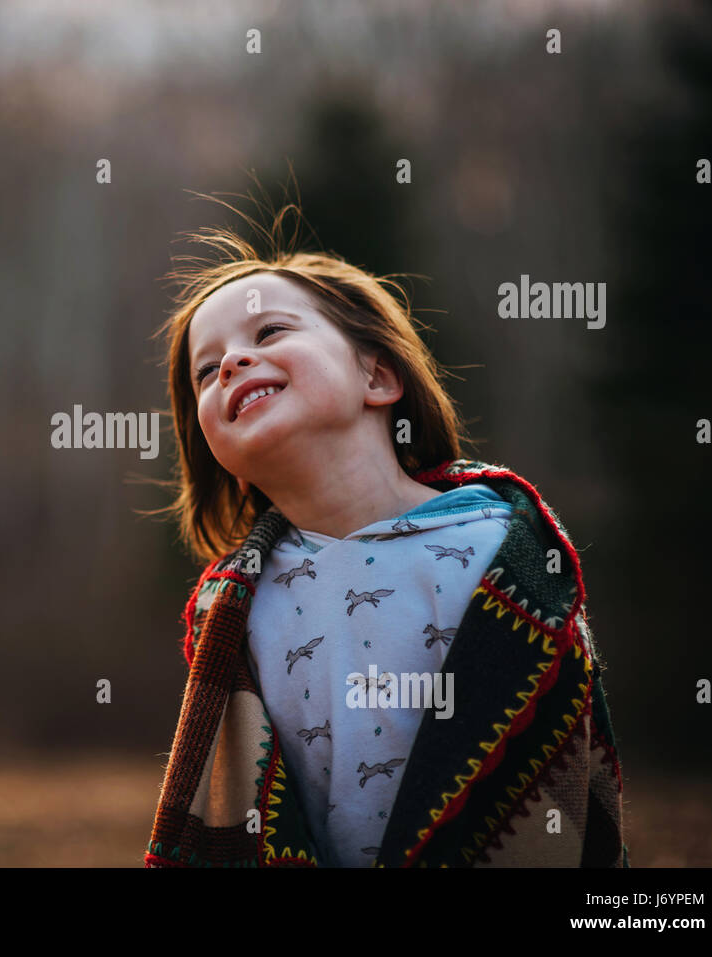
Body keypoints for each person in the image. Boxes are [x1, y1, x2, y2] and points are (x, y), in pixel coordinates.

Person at [143, 201, 627, 867]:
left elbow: (567, 776)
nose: (231, 364)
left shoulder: (505, 553)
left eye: (269, 332)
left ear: (377, 375)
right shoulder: (234, 610)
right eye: (206, 369)